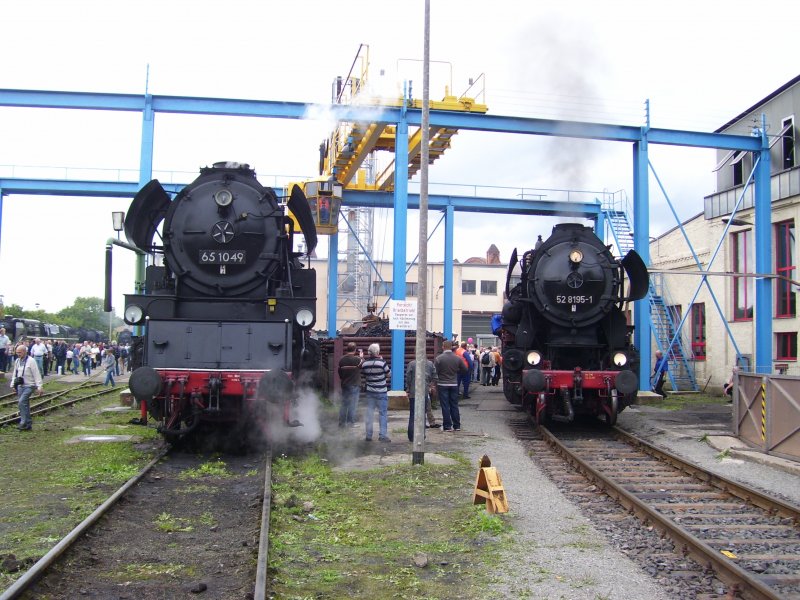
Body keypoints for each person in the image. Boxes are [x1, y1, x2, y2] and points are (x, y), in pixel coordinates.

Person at [434, 340, 468, 432]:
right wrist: (457, 372)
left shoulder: (439, 358)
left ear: (443, 347)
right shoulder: (457, 358)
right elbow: (465, 369)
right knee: (454, 405)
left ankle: (447, 426)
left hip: (442, 384)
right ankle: (457, 426)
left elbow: (435, 372)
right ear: (452, 347)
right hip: (454, 384)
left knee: (445, 405)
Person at [360, 343, 391, 442]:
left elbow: (364, 375)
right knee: (382, 414)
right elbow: (389, 374)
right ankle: (382, 435)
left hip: (370, 392)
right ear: (377, 352)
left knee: (369, 413)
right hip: (381, 392)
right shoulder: (382, 363)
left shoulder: (364, 364)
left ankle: (368, 435)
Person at [11, 344, 43, 431]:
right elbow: (15, 373)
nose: (18, 354)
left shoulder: (31, 361)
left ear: (25, 352)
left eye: (20, 352)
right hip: (20, 385)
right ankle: (28, 424)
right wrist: (13, 385)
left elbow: (36, 374)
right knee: (25, 405)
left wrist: (39, 386)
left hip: (30, 385)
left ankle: (23, 422)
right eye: (17, 352)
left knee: (21, 402)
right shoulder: (17, 361)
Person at [406, 356, 438, 441]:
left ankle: (411, 436)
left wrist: (408, 389)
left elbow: (408, 378)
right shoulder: (430, 364)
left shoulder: (411, 364)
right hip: (424, 392)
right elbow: (435, 377)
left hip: (413, 392)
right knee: (422, 414)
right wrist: (429, 385)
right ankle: (421, 435)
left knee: (413, 414)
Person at [337, 342, 362, 428]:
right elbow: (363, 366)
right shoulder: (357, 360)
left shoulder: (342, 360)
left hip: (344, 384)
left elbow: (339, 372)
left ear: (347, 349)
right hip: (354, 385)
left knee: (344, 404)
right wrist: (362, 357)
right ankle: (351, 422)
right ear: (355, 350)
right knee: (353, 404)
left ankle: (342, 423)